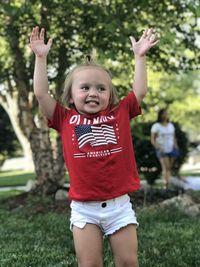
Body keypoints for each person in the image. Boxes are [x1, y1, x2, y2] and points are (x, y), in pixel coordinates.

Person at [30, 26, 159, 267]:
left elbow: (139, 91)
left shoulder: (119, 113)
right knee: (89, 264)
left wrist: (140, 58)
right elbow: (40, 94)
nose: (93, 93)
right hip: (84, 209)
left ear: (110, 96)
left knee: (129, 261)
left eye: (101, 88)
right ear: (70, 97)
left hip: (119, 206)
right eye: (85, 88)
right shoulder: (64, 118)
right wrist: (41, 58)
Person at [151, 109, 180, 189]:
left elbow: (174, 137)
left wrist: (176, 147)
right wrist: (158, 147)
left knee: (169, 167)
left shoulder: (171, 125)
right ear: (160, 115)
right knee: (165, 167)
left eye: (166, 114)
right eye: (163, 114)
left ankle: (167, 183)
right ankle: (165, 185)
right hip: (161, 150)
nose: (165, 115)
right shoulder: (156, 126)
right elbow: (152, 140)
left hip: (171, 149)